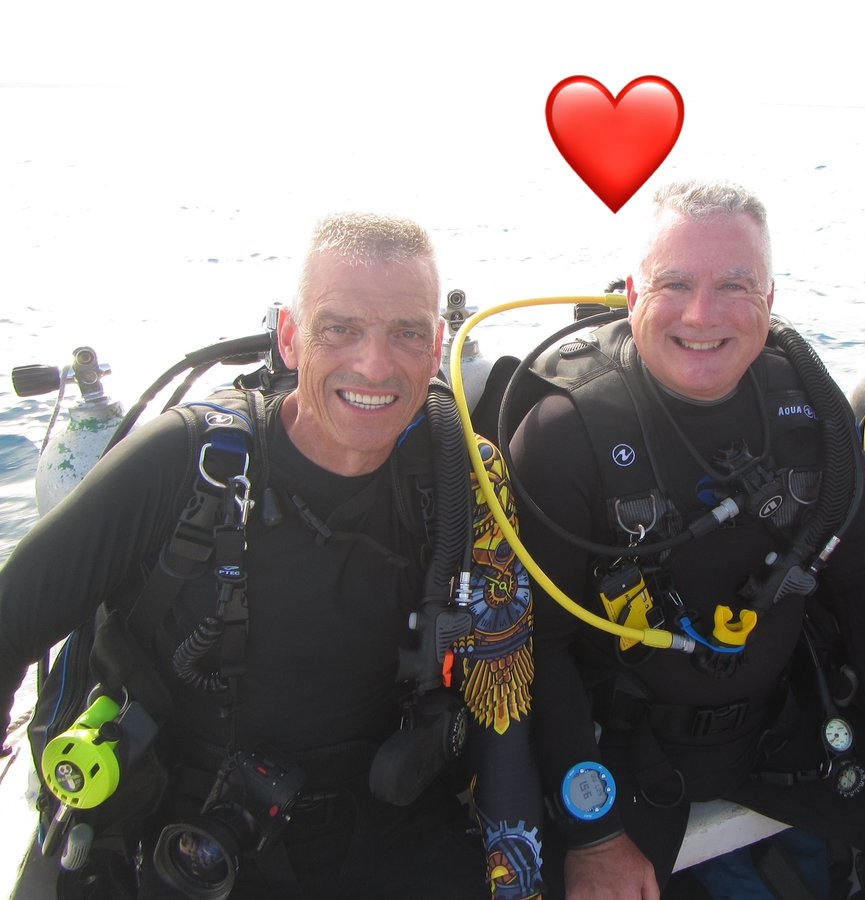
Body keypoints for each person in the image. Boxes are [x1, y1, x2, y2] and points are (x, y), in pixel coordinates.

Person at [0, 213, 544, 899]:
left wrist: (516, 881)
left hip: (388, 825)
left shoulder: (467, 478)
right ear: (291, 336)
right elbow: (9, 622)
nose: (374, 364)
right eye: (339, 328)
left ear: (438, 345)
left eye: (406, 332)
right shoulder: (187, 463)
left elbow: (504, 700)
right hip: (189, 834)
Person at [508, 180, 865, 898]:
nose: (702, 314)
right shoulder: (567, 430)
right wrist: (591, 831)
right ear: (633, 292)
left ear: (770, 299)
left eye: (735, 285)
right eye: (675, 283)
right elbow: (543, 646)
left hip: (780, 727)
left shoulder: (809, 412)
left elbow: (864, 581)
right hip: (625, 753)